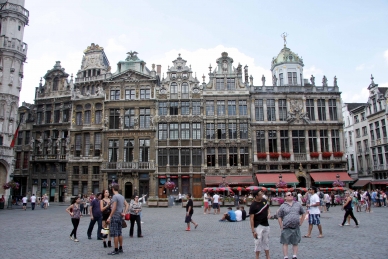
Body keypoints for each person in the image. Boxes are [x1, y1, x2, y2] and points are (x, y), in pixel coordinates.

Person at [277, 191, 306, 259]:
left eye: (291, 194)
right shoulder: (283, 206)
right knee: (285, 242)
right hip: (286, 227)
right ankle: (285, 256)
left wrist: (301, 222)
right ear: (285, 197)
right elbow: (279, 216)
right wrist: (281, 225)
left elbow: (303, 213)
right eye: (288, 195)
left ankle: (294, 256)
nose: (290, 195)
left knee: (295, 242)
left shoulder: (298, 204)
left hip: (296, 226)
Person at [106, 183, 128, 255]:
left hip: (115, 217)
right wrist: (124, 213)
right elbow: (127, 205)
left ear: (112, 189)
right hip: (120, 217)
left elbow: (114, 208)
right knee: (120, 233)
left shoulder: (115, 197)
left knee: (115, 234)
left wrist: (109, 217)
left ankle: (116, 249)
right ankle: (121, 248)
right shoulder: (121, 196)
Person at [249, 190, 271, 259]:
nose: (262, 196)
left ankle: (267, 256)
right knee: (258, 242)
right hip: (258, 225)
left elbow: (268, 209)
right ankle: (257, 257)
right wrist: (253, 231)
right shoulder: (253, 205)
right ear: (256, 196)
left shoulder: (264, 201)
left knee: (266, 241)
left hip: (266, 224)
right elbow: (251, 219)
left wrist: (269, 213)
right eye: (260, 195)